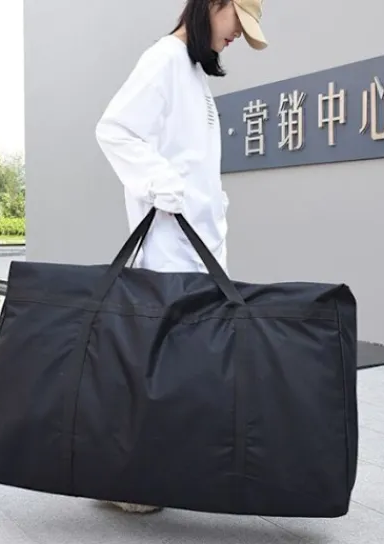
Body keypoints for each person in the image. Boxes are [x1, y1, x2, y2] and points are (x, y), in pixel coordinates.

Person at [95, 0, 267, 514]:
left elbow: (192, 161)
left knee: (177, 366)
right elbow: (115, 129)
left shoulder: (192, 72)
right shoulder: (165, 59)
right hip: (169, 248)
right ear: (214, 4)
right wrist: (158, 183)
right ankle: (126, 481)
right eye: (238, 22)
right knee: (157, 366)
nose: (238, 36)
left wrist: (211, 205)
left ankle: (141, 474)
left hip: (196, 247)